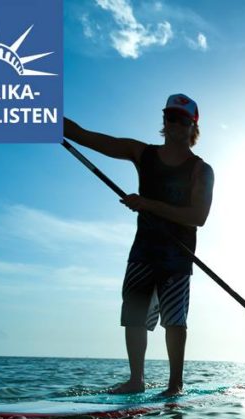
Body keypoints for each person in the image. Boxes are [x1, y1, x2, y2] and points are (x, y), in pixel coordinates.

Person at [64, 94, 214, 396]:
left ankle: (175, 385)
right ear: (164, 120)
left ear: (193, 126)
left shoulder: (201, 170)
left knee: (174, 320)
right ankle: (136, 380)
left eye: (183, 119)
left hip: (177, 254)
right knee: (133, 315)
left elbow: (198, 217)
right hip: (143, 250)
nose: (175, 123)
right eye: (170, 117)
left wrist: (147, 204)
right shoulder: (141, 152)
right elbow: (84, 136)